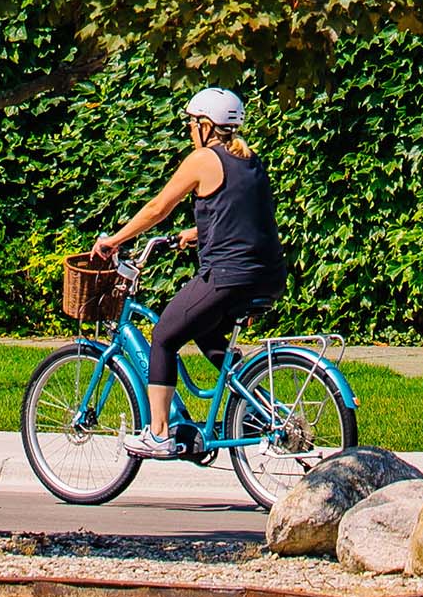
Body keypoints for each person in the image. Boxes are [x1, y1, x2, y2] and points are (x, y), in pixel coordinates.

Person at [91, 86, 286, 461]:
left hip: (228, 275)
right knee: (207, 331)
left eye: (191, 124)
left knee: (164, 335)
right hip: (268, 274)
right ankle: (258, 405)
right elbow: (243, 215)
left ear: (204, 125)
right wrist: (196, 233)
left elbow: (157, 208)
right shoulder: (250, 160)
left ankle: (158, 434)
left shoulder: (202, 160)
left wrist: (114, 240)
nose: (188, 131)